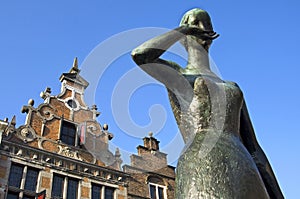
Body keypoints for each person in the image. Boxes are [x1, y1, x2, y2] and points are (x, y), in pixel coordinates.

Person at [131, 8, 284, 199]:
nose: (201, 28)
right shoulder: (178, 75)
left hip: (244, 165)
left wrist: (278, 195)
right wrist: (183, 30)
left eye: (206, 24)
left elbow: (254, 148)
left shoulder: (232, 86)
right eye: (195, 23)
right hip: (203, 161)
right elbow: (140, 55)